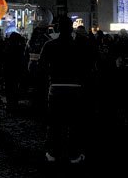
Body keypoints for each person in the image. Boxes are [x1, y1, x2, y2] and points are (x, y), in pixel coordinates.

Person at [41, 16, 94, 164]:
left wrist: (51, 78)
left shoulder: (49, 45)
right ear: (72, 28)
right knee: (75, 122)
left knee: (54, 122)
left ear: (58, 28)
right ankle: (74, 155)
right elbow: (89, 65)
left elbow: (42, 66)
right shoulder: (81, 45)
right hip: (76, 87)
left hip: (56, 87)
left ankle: (52, 153)